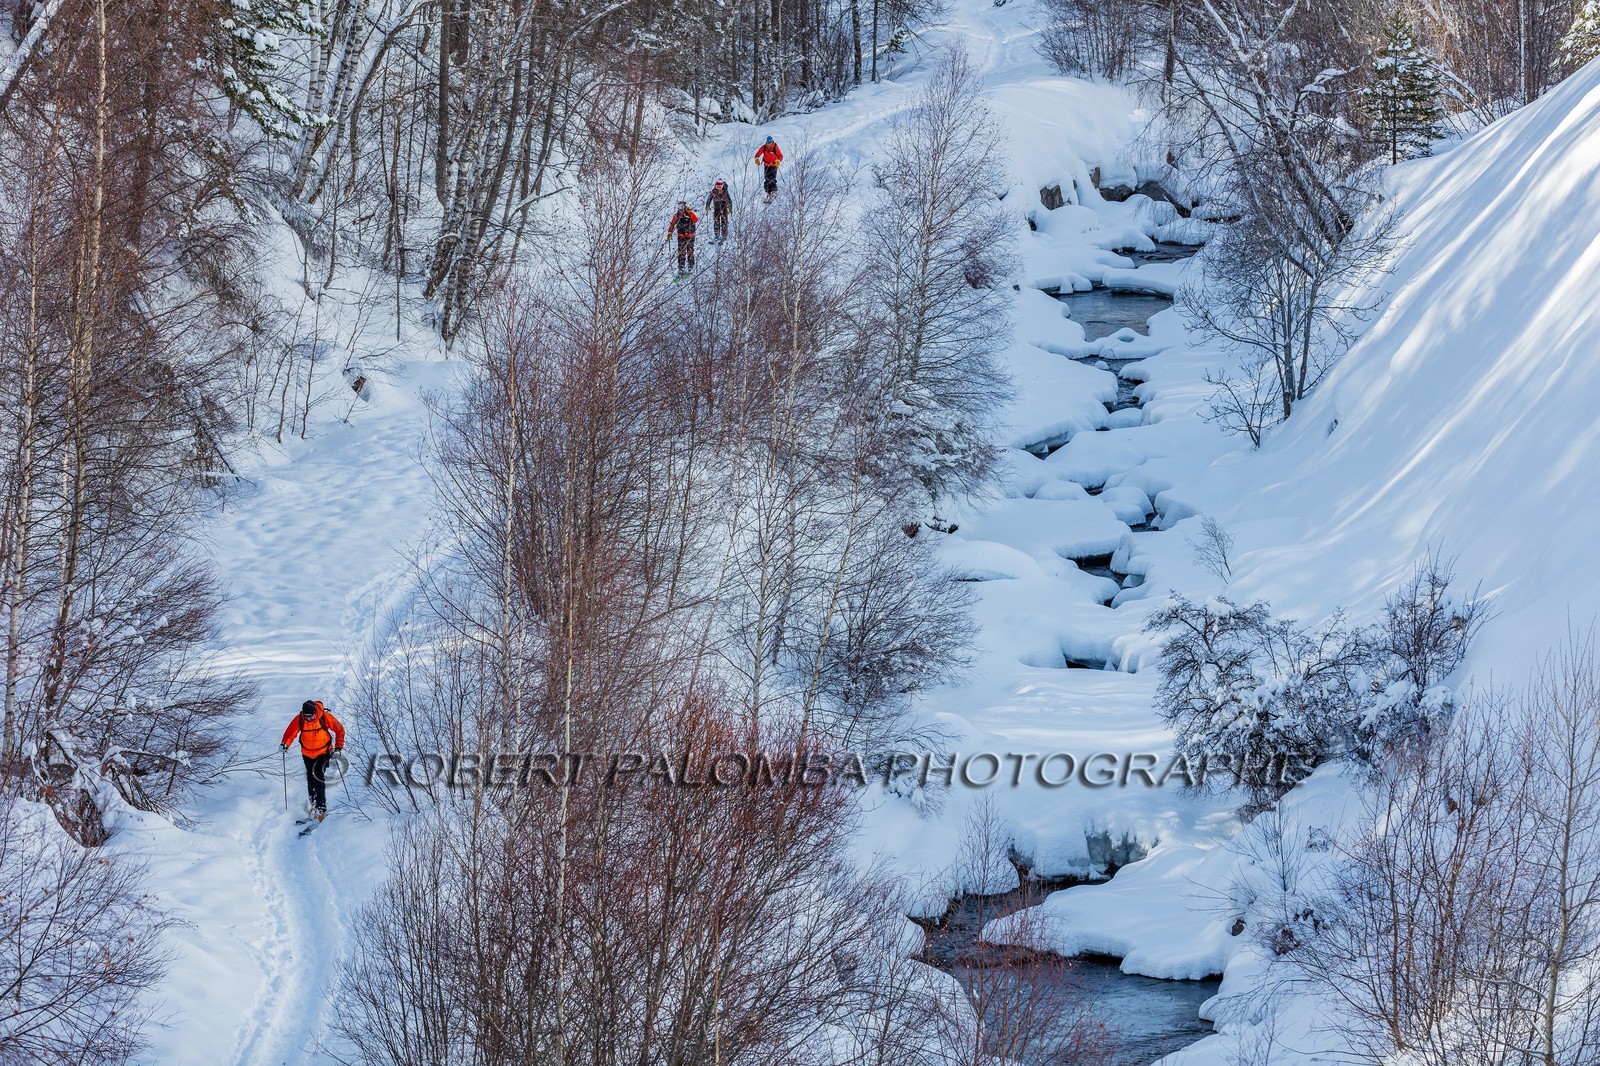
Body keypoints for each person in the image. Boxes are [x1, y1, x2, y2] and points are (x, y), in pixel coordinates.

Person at [280, 699, 345, 820]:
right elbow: (290, 733)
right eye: (306, 716)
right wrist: (285, 744)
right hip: (307, 753)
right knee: (310, 777)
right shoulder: (300, 719)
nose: (308, 718)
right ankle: (313, 803)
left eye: (311, 716)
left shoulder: (324, 717)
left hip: (323, 752)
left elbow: (339, 729)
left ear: (315, 712)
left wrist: (338, 748)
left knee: (318, 776)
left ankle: (321, 807)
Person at [667, 200, 698, 276]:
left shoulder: (689, 213)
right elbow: (672, 224)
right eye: (679, 206)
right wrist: (669, 232)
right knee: (681, 253)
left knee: (690, 252)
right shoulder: (676, 215)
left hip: (690, 236)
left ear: (685, 206)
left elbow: (696, 220)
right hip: (681, 236)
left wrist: (690, 212)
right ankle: (681, 269)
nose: (680, 208)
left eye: (682, 206)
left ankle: (691, 268)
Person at [754, 136, 783, 201]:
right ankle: (768, 192)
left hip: (774, 165)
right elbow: (757, 154)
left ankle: (774, 191)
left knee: (772, 178)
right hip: (766, 165)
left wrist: (778, 160)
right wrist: (757, 158)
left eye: (769, 143)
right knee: (767, 178)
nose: (768, 144)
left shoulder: (775, 147)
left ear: (772, 142)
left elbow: (780, 156)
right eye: (767, 142)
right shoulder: (764, 147)